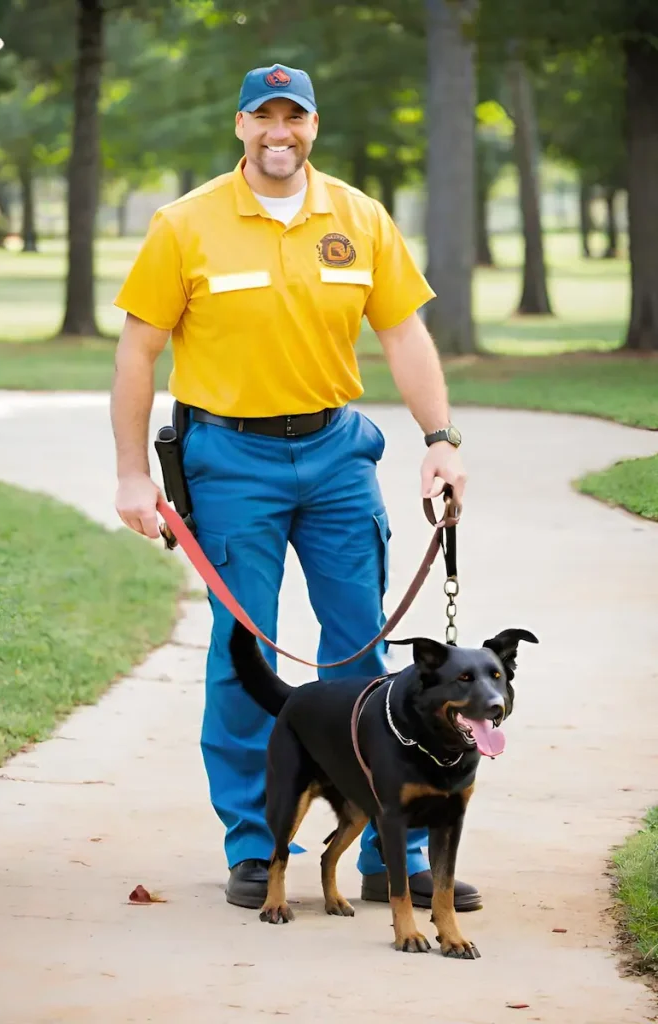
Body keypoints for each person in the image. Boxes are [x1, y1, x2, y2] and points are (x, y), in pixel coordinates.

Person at [110, 62, 481, 913]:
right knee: (245, 650)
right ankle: (257, 842)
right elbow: (138, 351)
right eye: (262, 116)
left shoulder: (358, 217)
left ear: (313, 126)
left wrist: (440, 440)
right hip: (228, 460)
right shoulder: (184, 224)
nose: (279, 131)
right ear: (239, 125)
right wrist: (133, 472)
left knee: (366, 654)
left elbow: (402, 333)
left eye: (295, 117)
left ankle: (398, 852)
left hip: (336, 453)